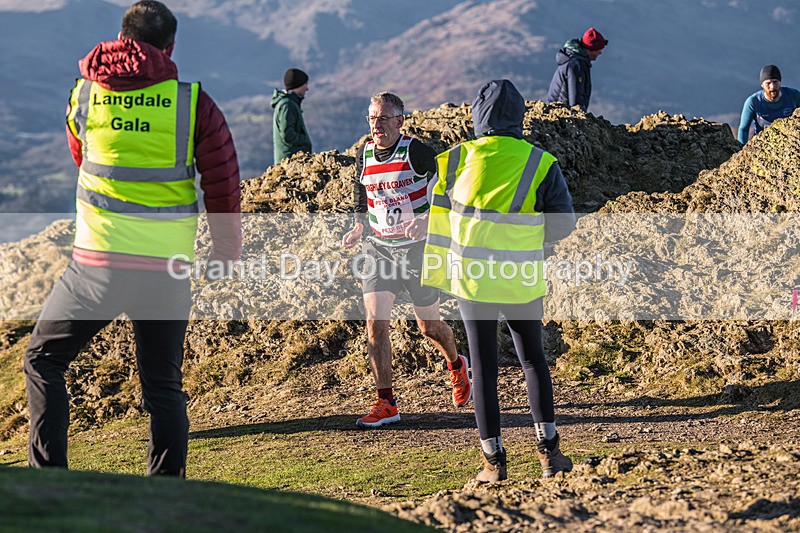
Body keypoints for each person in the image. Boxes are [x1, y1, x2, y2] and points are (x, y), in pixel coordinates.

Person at [23, 0, 241, 477]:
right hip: (166, 267)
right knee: (163, 385)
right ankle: (165, 492)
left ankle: (48, 480)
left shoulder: (84, 94)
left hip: (96, 266)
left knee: (43, 360)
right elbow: (223, 182)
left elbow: (82, 156)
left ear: (123, 38)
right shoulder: (193, 103)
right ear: (170, 46)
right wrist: (225, 252)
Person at [422, 80, 576, 481]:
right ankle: (549, 456)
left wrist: (437, 275)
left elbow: (437, 224)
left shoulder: (452, 161)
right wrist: (528, 238)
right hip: (521, 277)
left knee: (485, 370)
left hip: (472, 281)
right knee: (532, 361)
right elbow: (563, 224)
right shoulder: (540, 162)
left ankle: (493, 462)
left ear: (477, 116)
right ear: (519, 118)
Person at [341, 92, 471, 428]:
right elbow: (361, 189)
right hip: (378, 249)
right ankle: (386, 402)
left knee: (428, 327)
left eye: (384, 118)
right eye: (372, 118)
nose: (377, 125)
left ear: (400, 120)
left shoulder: (417, 151)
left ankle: (457, 364)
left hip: (417, 251)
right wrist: (359, 222)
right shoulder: (364, 153)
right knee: (375, 323)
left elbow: (450, 185)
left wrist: (429, 218)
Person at [546, 27, 608, 111]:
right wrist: (579, 117)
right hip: (563, 114)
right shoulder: (576, 65)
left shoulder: (573, 61)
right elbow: (576, 100)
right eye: (598, 49)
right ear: (591, 49)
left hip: (555, 111)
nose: (600, 52)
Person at [738, 64, 800, 144]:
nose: (772, 87)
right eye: (768, 83)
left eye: (775, 82)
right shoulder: (753, 102)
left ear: (780, 82)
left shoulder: (793, 95)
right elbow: (744, 129)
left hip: (790, 145)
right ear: (762, 85)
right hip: (762, 146)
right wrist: (741, 150)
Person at [271, 68, 312, 164]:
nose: (307, 88)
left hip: (291, 161)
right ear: (298, 85)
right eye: (305, 84)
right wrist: (304, 140)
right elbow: (287, 134)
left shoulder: (290, 103)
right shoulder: (287, 105)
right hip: (289, 162)